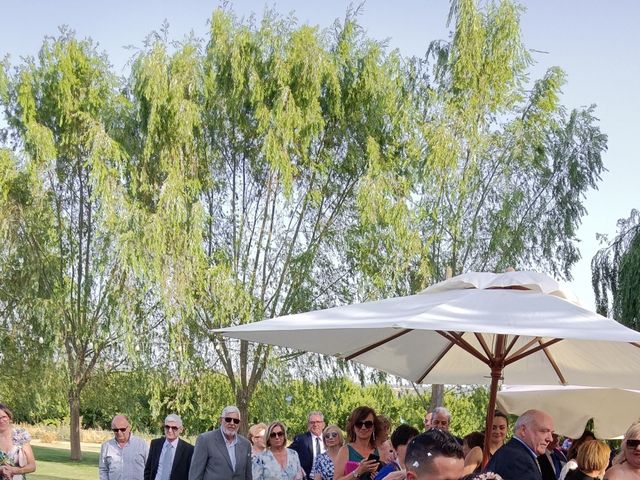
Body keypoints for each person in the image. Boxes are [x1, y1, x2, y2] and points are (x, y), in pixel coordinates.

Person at [485, 409, 554, 480]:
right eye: (544, 431)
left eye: (551, 433)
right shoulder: (519, 460)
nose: (550, 439)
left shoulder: (513, 452)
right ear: (523, 430)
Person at [188, 405, 252, 480]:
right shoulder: (205, 440)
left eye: (236, 421)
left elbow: (248, 476)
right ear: (221, 420)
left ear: (239, 423)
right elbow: (195, 475)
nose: (232, 423)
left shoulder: (245, 444)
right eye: (228, 419)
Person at [334, 406, 383, 480]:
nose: (363, 427)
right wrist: (358, 471)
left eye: (368, 424)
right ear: (353, 427)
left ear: (374, 427)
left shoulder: (380, 451)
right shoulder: (345, 451)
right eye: (359, 424)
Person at [144, 413, 194, 480]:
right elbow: (148, 469)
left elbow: (190, 475)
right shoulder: (155, 444)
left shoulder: (189, 450)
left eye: (174, 428)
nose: (170, 430)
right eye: (167, 427)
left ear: (181, 429)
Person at [99, 414, 149, 480]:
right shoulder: (106, 446)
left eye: (122, 429)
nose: (119, 432)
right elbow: (103, 470)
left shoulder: (142, 445)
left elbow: (149, 468)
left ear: (129, 428)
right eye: (115, 430)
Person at [463, 411, 509, 477]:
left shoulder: (510, 454)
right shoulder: (478, 452)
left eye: (502, 428)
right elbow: (464, 477)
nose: (497, 431)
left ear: (507, 429)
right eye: (493, 428)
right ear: (487, 428)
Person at [0, 404, 36, 480]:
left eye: (4, 417)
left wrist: (14, 470)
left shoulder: (20, 435)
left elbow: (32, 466)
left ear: (9, 418)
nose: (1, 420)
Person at [290, 411, 326, 480]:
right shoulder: (301, 440)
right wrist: (297, 467)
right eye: (312, 422)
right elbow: (287, 453)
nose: (315, 424)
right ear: (308, 425)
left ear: (323, 424)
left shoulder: (329, 439)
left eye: (318, 422)